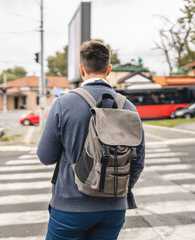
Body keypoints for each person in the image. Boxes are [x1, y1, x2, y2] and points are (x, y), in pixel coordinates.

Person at [37, 40, 145, 240]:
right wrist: (118, 190)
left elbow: (45, 157)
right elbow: (138, 162)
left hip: (70, 207)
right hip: (114, 209)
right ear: (109, 69)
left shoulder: (63, 104)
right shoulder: (128, 107)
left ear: (81, 69)